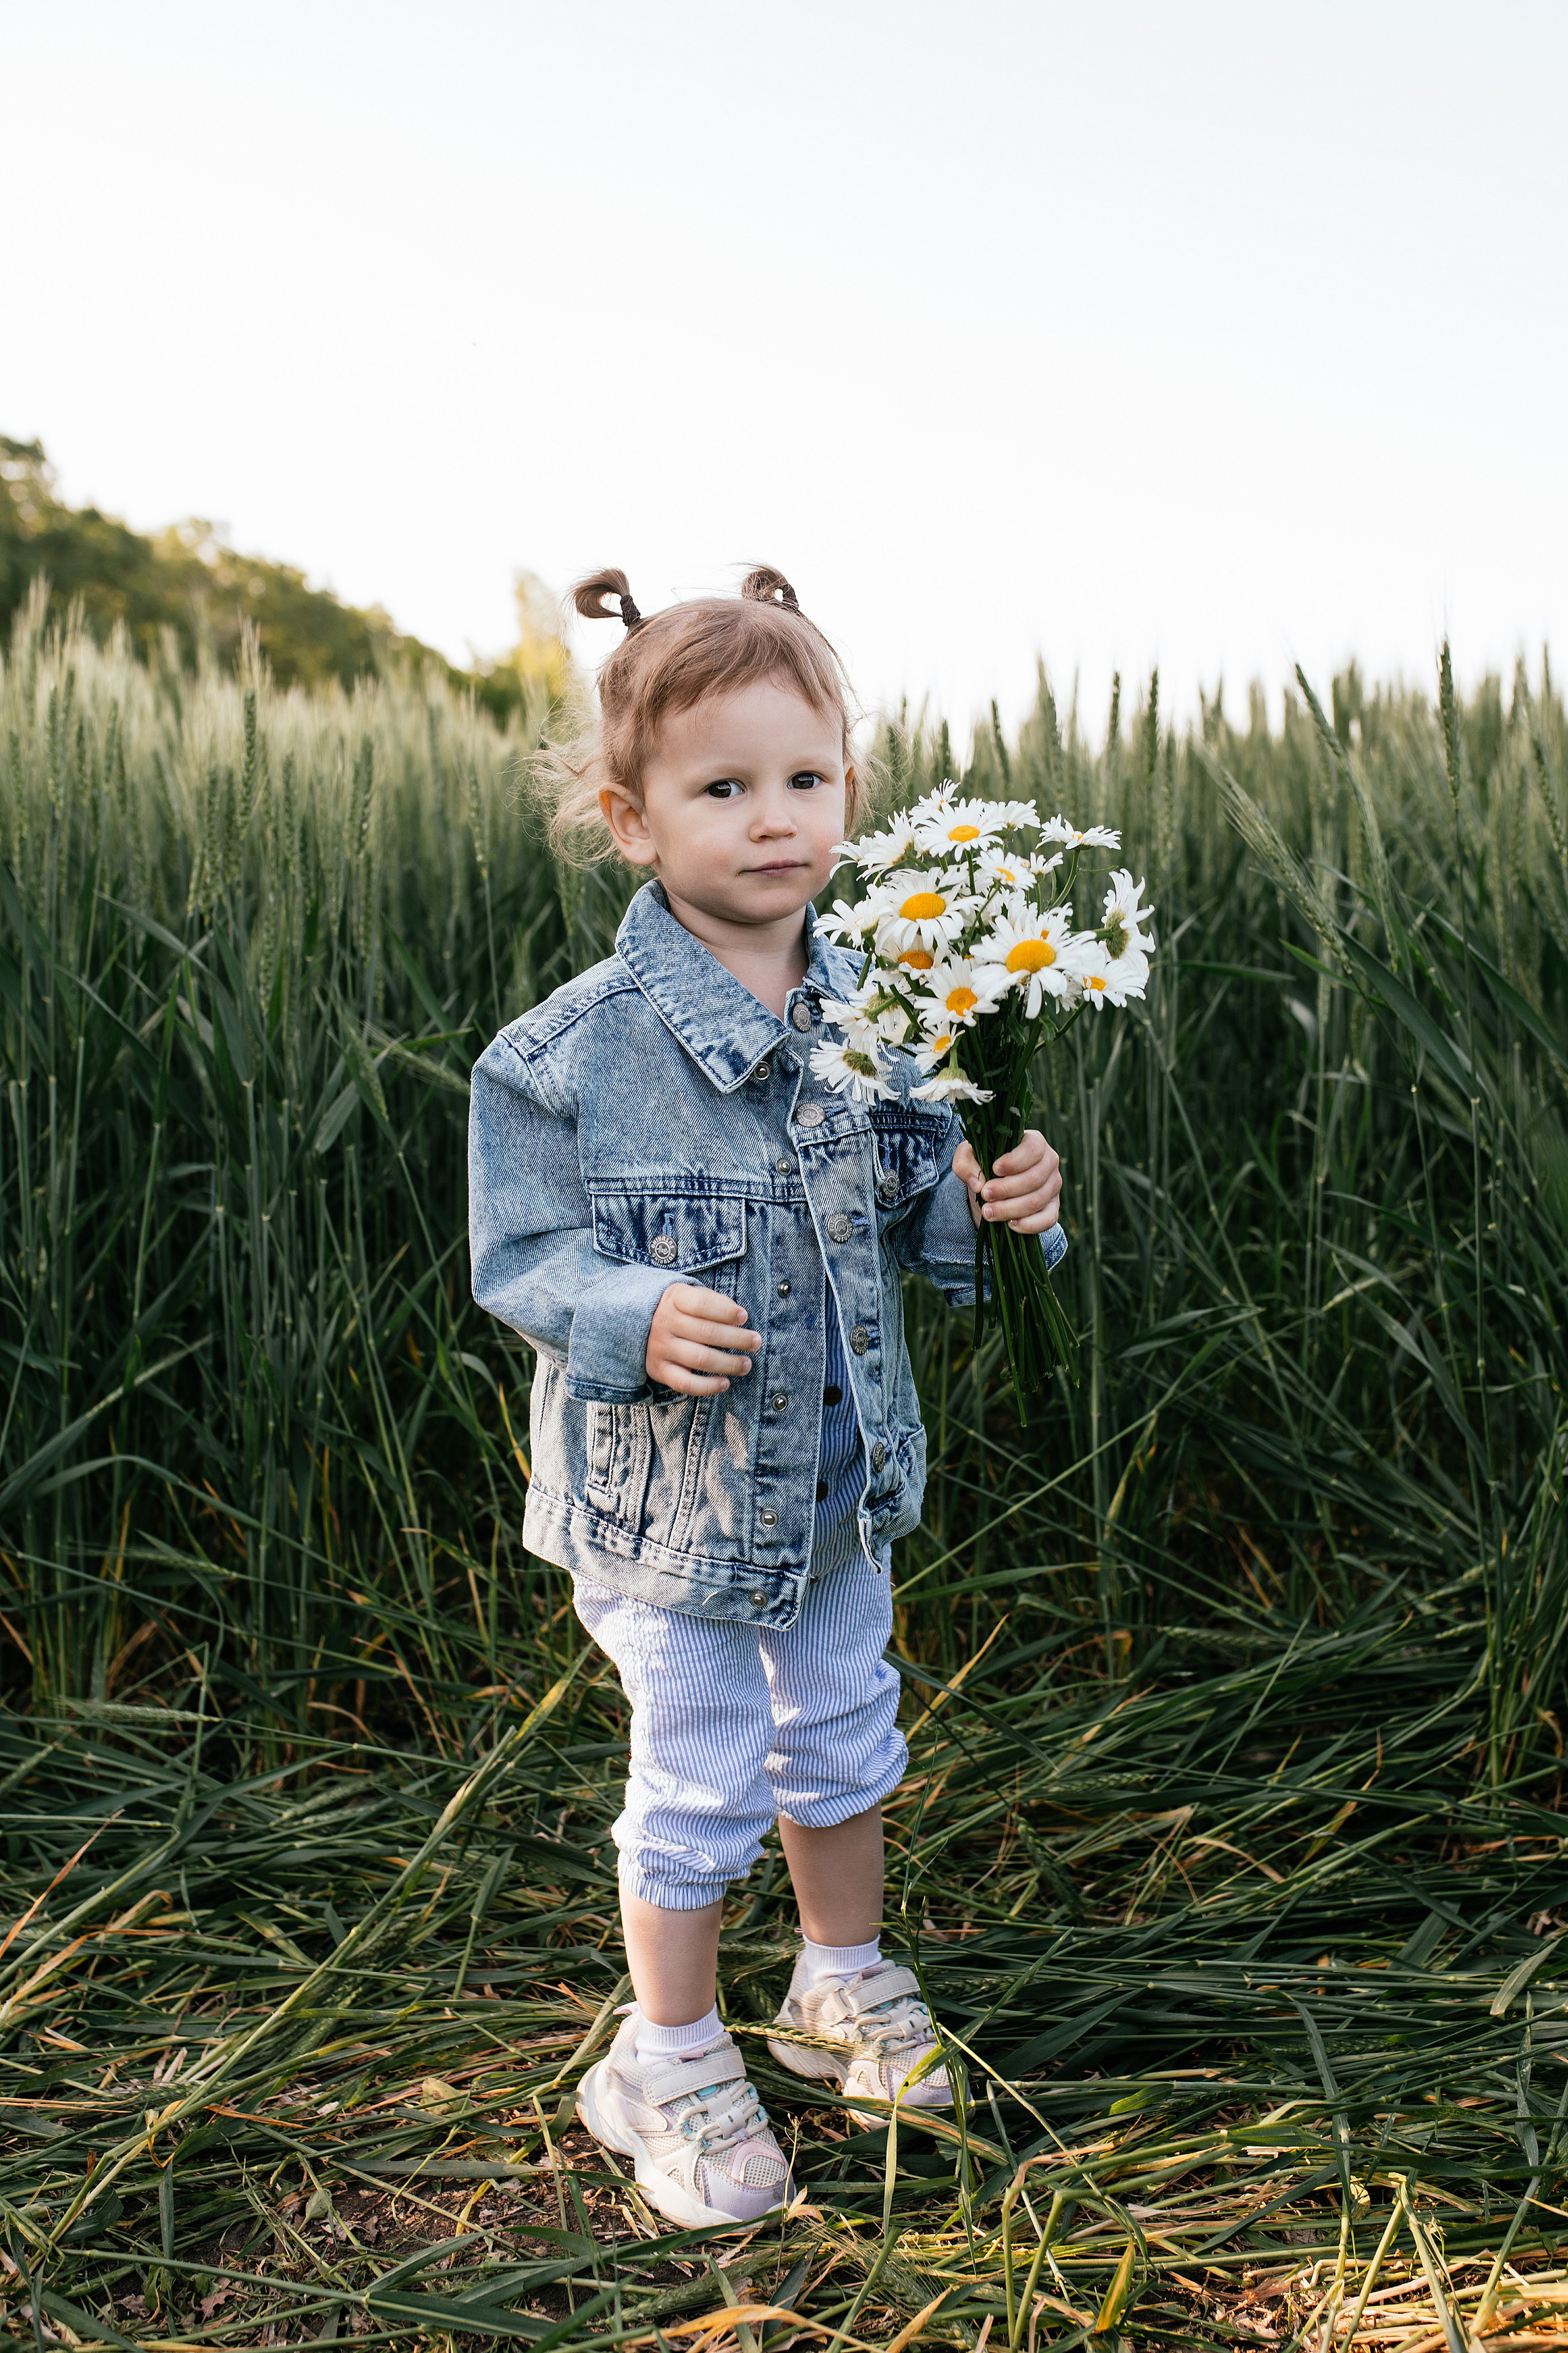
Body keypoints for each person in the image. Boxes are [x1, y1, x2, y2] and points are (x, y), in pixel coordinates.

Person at [468, 566, 1066, 2230]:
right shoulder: (564, 1054)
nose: (775, 818)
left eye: (805, 781)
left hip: (834, 1474)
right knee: (707, 1762)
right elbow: (520, 1252)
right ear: (632, 817)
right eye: (723, 788)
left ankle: (839, 1980)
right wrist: (631, 1307)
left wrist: (989, 1192)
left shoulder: (883, 1016)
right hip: (671, 1509)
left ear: (849, 794)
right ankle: (660, 2055)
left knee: (844, 1728)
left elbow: (897, 1196)